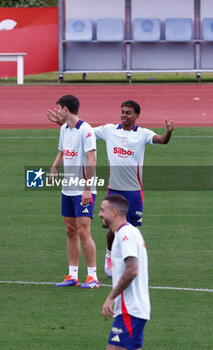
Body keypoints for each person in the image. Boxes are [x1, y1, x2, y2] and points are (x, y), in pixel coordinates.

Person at [47, 100, 175, 278]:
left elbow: (162, 140)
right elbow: (85, 132)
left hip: (134, 190)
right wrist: (62, 123)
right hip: (113, 190)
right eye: (122, 112)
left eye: (128, 112)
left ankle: (129, 261)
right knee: (112, 230)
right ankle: (109, 256)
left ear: (137, 115)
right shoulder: (109, 130)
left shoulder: (143, 134)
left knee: (132, 229)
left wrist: (168, 131)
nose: (124, 115)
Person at [47, 95, 99, 288]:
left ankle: (92, 276)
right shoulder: (64, 129)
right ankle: (72, 275)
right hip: (67, 190)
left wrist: (87, 188)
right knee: (70, 231)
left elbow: (92, 160)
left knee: (84, 231)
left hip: (83, 191)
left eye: (58, 108)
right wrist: (54, 167)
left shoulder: (86, 131)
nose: (57, 111)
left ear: (66, 109)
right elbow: (62, 151)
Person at [99, 194, 150, 350]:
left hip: (130, 310)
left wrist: (111, 297)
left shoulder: (125, 234)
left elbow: (132, 269)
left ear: (114, 212)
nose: (100, 214)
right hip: (133, 310)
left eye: (103, 210)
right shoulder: (128, 232)